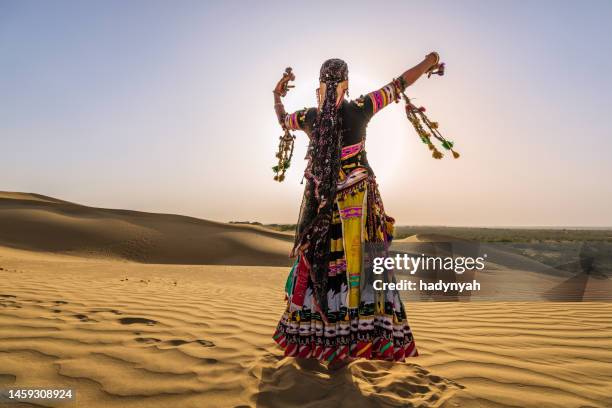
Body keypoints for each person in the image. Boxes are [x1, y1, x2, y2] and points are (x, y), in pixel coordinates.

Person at [271, 53, 442, 369]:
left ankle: (317, 340)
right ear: (346, 84)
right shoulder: (362, 108)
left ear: (319, 86)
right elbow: (399, 84)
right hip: (357, 207)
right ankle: (357, 337)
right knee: (360, 269)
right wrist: (429, 60)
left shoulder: (309, 117)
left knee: (319, 266)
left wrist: (276, 95)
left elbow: (283, 120)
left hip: (318, 209)